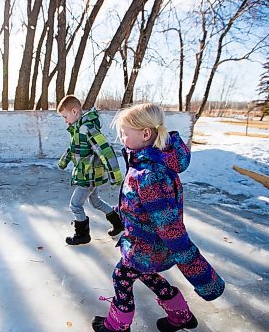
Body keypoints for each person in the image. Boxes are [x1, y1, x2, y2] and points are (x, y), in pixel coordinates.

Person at [92, 103, 225, 332]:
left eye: (125, 133)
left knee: (121, 276)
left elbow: (169, 226)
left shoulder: (151, 174)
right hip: (147, 244)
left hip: (146, 246)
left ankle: (117, 326)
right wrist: (124, 210)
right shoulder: (144, 163)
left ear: (145, 134)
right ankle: (180, 315)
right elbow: (141, 203)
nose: (121, 138)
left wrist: (199, 271)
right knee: (147, 275)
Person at [57, 95, 124, 245]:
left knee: (75, 205)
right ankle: (118, 223)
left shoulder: (87, 128)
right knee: (96, 202)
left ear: (74, 111)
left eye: (65, 116)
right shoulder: (77, 129)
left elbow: (105, 151)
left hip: (88, 176)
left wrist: (115, 176)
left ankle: (82, 235)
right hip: (87, 174)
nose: (65, 121)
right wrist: (63, 161)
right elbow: (73, 148)